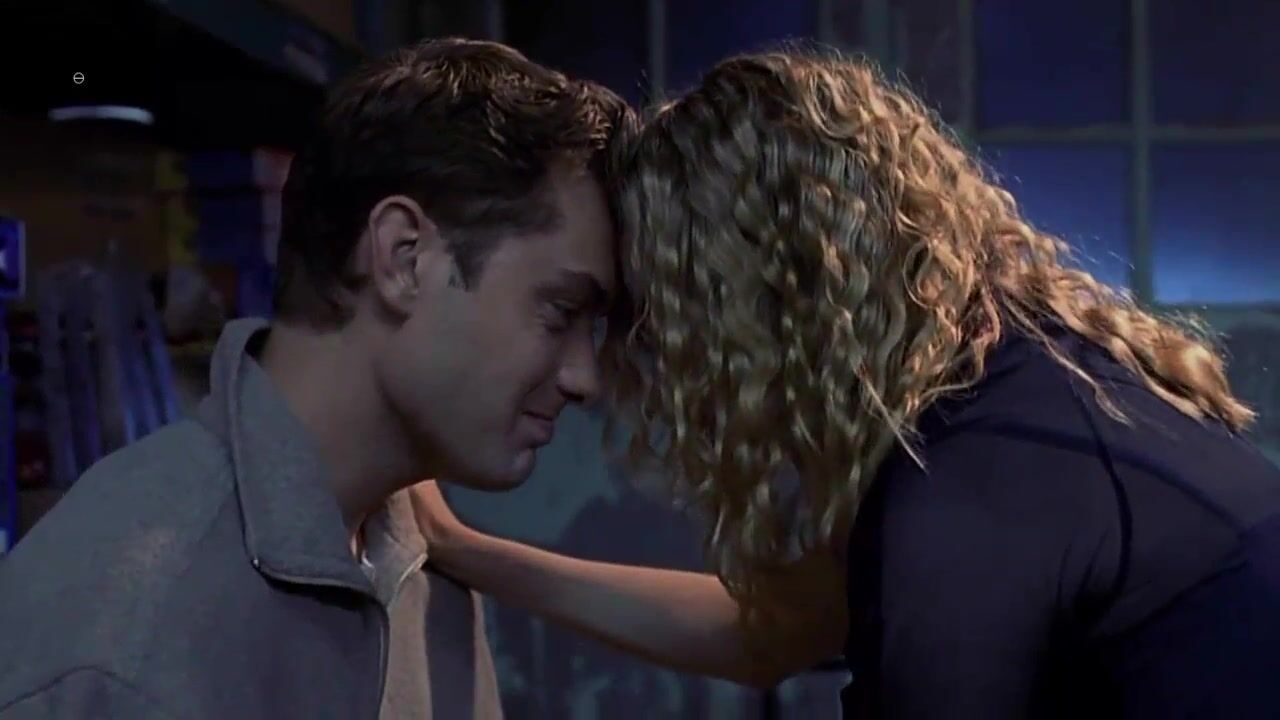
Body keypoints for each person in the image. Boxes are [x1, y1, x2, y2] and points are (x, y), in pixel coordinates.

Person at [411, 48, 1280, 718]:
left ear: (751, 308)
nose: (617, 372)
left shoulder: (969, 495)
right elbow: (771, 634)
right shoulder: (1030, 373)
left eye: (657, 320)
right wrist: (468, 552)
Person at [0, 39, 635, 719]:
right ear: (405, 258)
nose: (584, 378)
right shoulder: (126, 639)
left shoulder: (418, 569)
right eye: (560, 310)